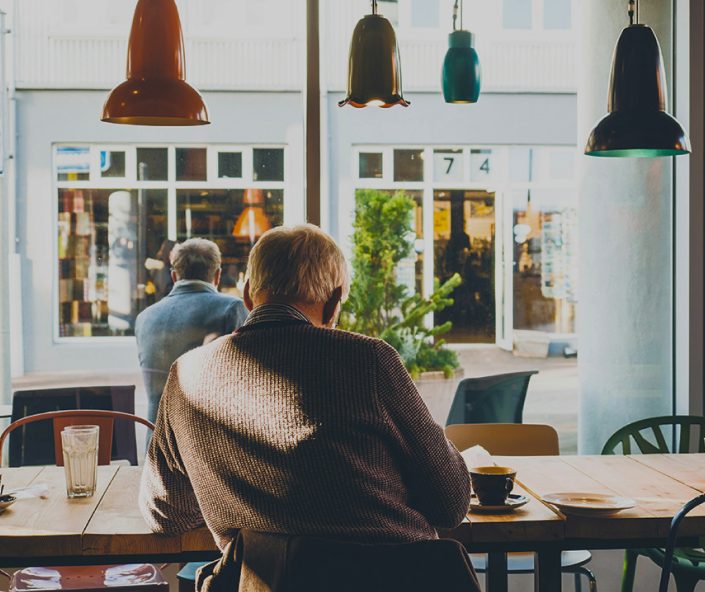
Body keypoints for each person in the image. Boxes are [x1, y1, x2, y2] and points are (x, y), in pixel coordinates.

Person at [139, 224, 471, 553]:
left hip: (263, 583)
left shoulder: (186, 375)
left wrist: (232, 493)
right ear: (334, 303)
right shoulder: (369, 361)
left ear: (248, 294)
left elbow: (166, 515)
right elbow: (450, 504)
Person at [134, 238, 249, 430]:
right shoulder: (231, 309)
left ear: (174, 277)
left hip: (156, 443)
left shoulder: (144, 317)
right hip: (208, 442)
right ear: (218, 275)